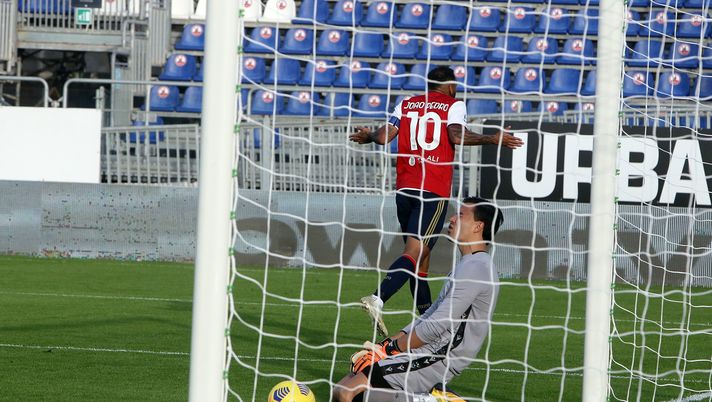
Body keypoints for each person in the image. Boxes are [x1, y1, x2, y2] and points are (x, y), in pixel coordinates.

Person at [349, 66, 521, 336]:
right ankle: (378, 297)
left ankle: (428, 322)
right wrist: (492, 138)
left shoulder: (406, 103)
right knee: (415, 253)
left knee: (421, 260)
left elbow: (383, 137)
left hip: (405, 188)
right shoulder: (453, 105)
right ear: (451, 85)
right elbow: (456, 135)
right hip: (432, 189)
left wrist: (368, 135)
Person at [332, 197, 504, 402]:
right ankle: (426, 397)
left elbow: (437, 324)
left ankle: (433, 399)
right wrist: (386, 344)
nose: (452, 218)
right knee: (350, 390)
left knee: (345, 392)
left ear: (478, 226)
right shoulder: (469, 263)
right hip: (427, 351)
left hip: (437, 357)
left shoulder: (477, 267)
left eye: (460, 214)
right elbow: (430, 314)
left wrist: (391, 349)